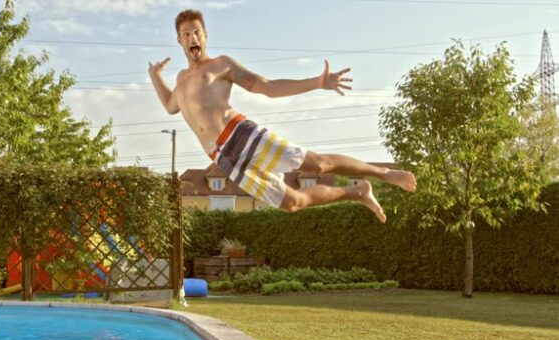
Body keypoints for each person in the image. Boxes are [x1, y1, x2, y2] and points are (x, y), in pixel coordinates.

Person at [148, 9, 416, 223]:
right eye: (186, 33)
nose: (192, 37)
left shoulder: (220, 65)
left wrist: (316, 82)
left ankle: (384, 173)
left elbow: (268, 86)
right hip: (223, 158)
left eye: (197, 32)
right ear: (179, 40)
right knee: (292, 203)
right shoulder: (181, 81)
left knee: (316, 165)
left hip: (241, 137)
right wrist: (155, 77)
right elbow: (171, 105)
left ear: (205, 35)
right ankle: (357, 192)